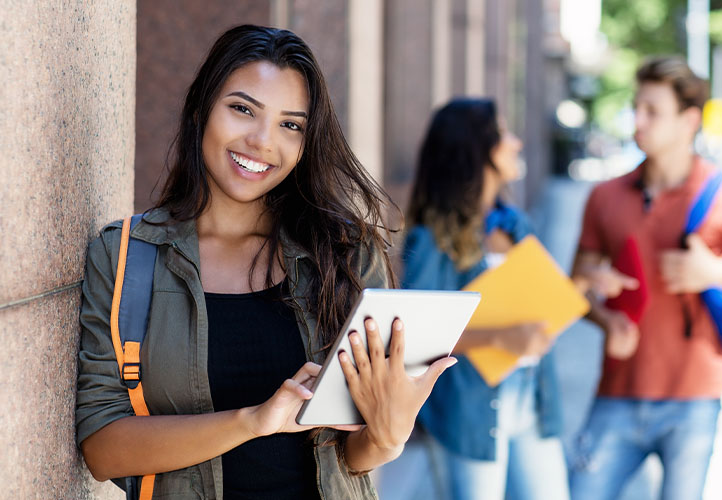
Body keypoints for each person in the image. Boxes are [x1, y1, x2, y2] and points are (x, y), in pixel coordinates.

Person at [76, 25, 456, 499]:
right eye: (242, 109)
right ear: (200, 111)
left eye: (290, 125)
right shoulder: (128, 255)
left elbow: (354, 457)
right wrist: (254, 421)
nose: (262, 140)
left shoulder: (344, 252)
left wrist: (388, 432)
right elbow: (102, 447)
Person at [569, 55, 722, 500]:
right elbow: (574, 287)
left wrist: (713, 271)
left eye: (653, 110)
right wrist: (604, 316)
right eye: (637, 107)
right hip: (615, 394)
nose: (639, 120)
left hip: (693, 401)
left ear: (690, 120)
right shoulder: (604, 196)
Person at [397, 98, 570, 500]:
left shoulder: (515, 222)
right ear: (477, 149)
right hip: (469, 415)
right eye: (504, 134)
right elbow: (416, 339)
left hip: (533, 402)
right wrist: (501, 338)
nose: (517, 143)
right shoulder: (431, 239)